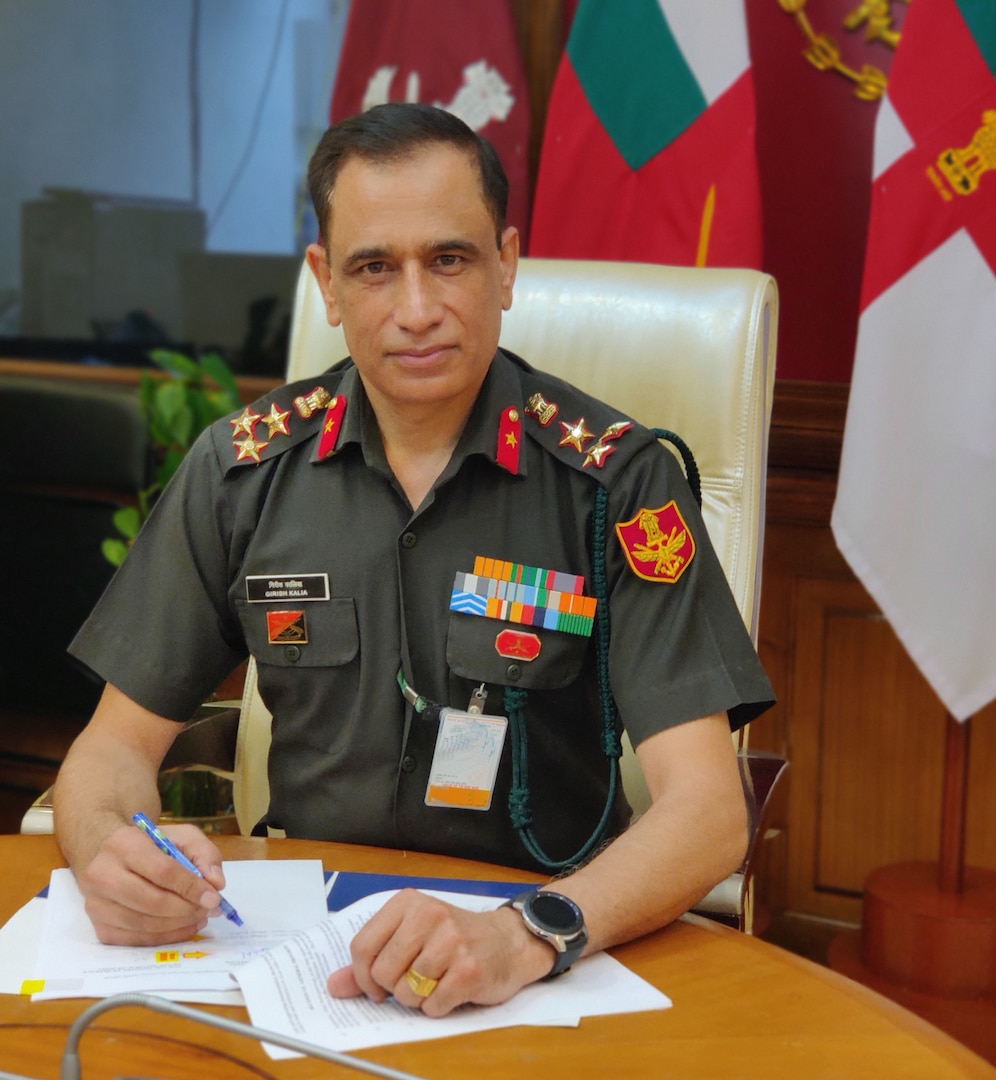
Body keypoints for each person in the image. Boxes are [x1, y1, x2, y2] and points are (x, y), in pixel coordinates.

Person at [53, 103, 774, 1018]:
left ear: (506, 263)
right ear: (326, 282)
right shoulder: (242, 472)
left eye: (449, 259)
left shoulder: (614, 486)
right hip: (305, 956)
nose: (418, 310)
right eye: (373, 268)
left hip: (542, 947)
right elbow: (110, 751)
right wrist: (108, 850)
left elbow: (708, 813)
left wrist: (526, 935)